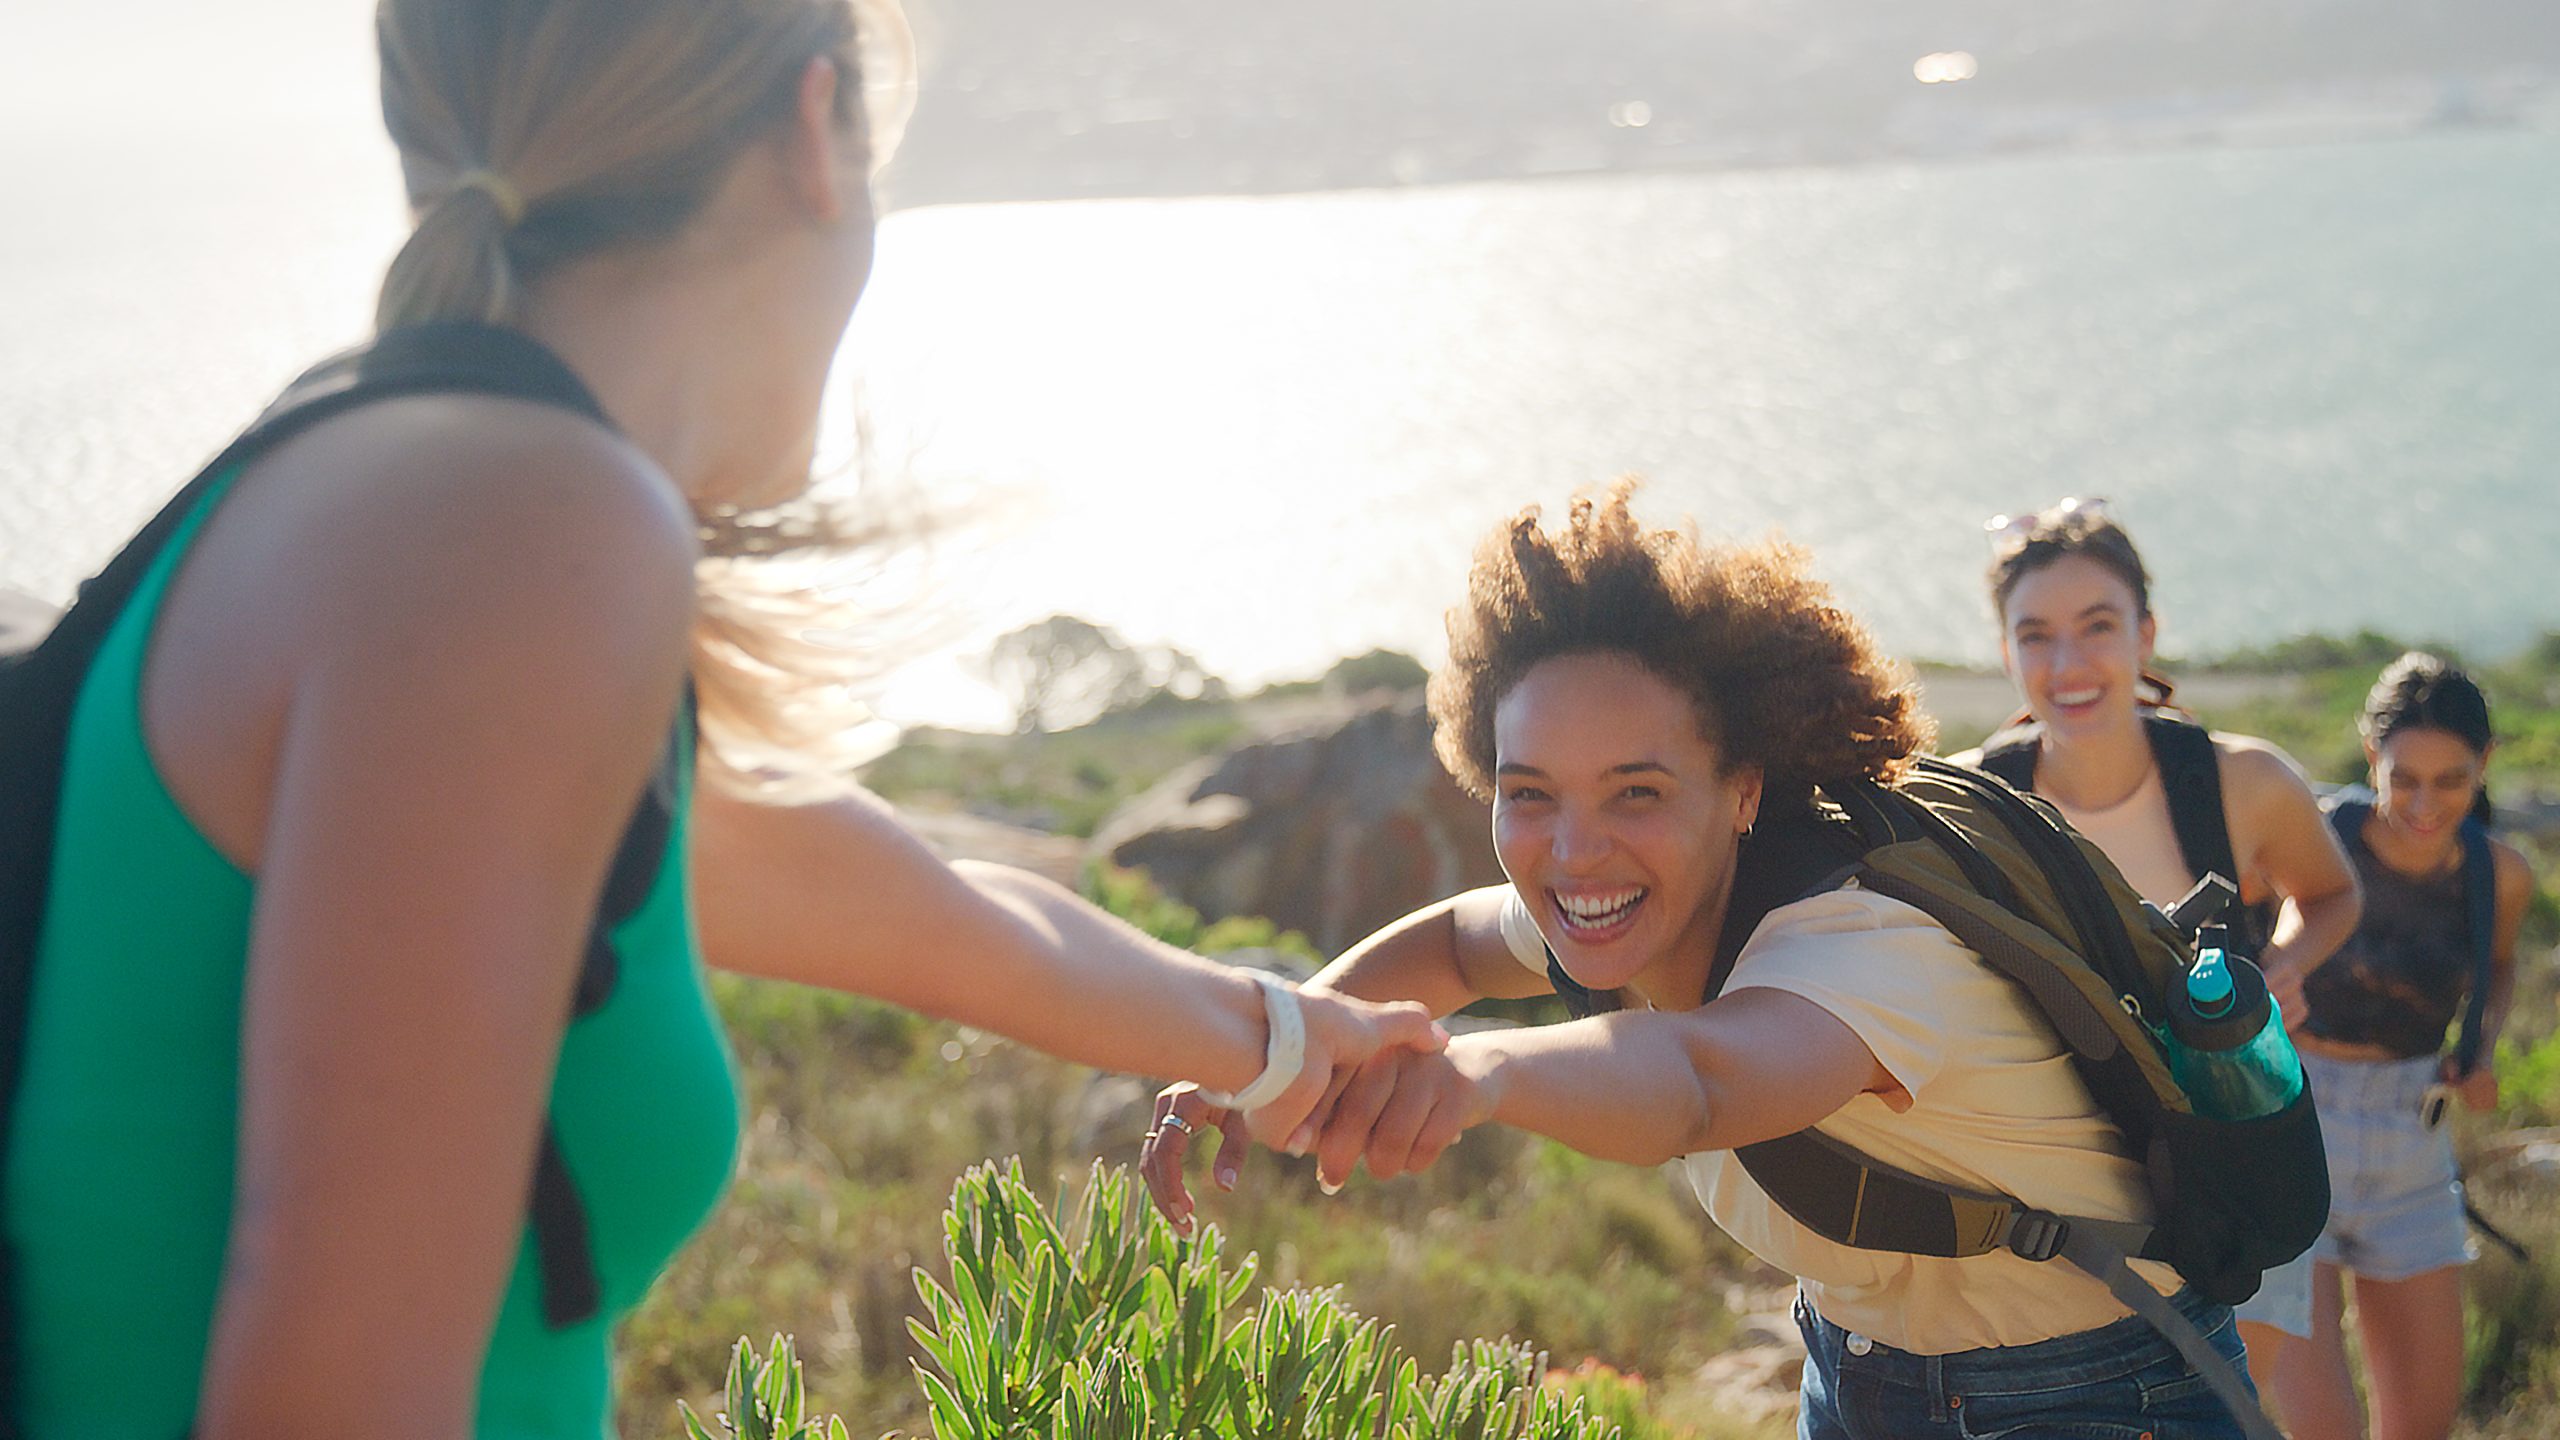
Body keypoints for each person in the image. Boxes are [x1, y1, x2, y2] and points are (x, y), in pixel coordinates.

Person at [0, 4, 1442, 1437]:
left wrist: (1275, 1035)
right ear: (818, 134)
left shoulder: (392, 483)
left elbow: (914, 907)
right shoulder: (514, 537)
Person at [1143, 484, 2265, 1439]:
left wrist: (1479, 1075)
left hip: (2102, 1390)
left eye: (1635, 791)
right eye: (1529, 795)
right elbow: (1449, 944)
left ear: (1742, 790)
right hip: (1860, 1371)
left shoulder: (1861, 944)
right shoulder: (1622, 903)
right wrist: (1287, 1043)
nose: (1574, 850)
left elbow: (1697, 1082)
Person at [1957, 495, 2362, 1411]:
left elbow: (2333, 893)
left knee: (2276, 1398)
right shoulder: (1978, 801)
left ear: (2146, 634)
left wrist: (2289, 965)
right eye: (2035, 636)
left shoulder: (2243, 781)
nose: (2067, 665)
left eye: (2097, 626)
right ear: (2006, 652)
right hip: (2066, 1192)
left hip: (2238, 1148)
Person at [2273, 655, 2531, 1440]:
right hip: (2294, 1127)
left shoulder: (2500, 874)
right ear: (2368, 752)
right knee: (2326, 1430)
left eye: (2450, 780)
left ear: (2484, 763)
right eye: (2402, 777)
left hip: (2415, 1145)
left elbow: (2500, 961)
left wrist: (2480, 1044)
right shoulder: (2311, 835)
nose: (2423, 804)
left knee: (2423, 1428)